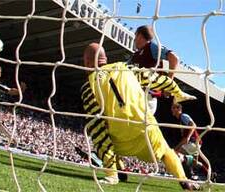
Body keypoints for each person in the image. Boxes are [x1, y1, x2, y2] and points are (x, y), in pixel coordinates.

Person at [80, 43, 200, 190]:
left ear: (86, 62)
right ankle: (184, 180)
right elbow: (155, 79)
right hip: (146, 127)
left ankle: (116, 173)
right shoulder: (125, 67)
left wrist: (109, 172)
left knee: (102, 141)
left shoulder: (88, 87)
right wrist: (178, 92)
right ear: (105, 59)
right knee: (166, 152)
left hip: (121, 136)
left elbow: (96, 129)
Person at [129, 25, 182, 114]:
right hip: (134, 95)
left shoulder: (151, 47)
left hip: (147, 97)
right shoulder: (136, 55)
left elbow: (174, 58)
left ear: (140, 36)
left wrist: (168, 84)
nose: (134, 39)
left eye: (135, 35)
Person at [171, 103, 208, 180]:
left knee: (177, 155)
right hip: (196, 143)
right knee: (194, 163)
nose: (172, 110)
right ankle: (209, 174)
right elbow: (184, 139)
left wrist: (187, 138)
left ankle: (189, 176)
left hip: (193, 143)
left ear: (179, 109)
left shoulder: (183, 116)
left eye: (174, 108)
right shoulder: (181, 120)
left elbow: (193, 125)